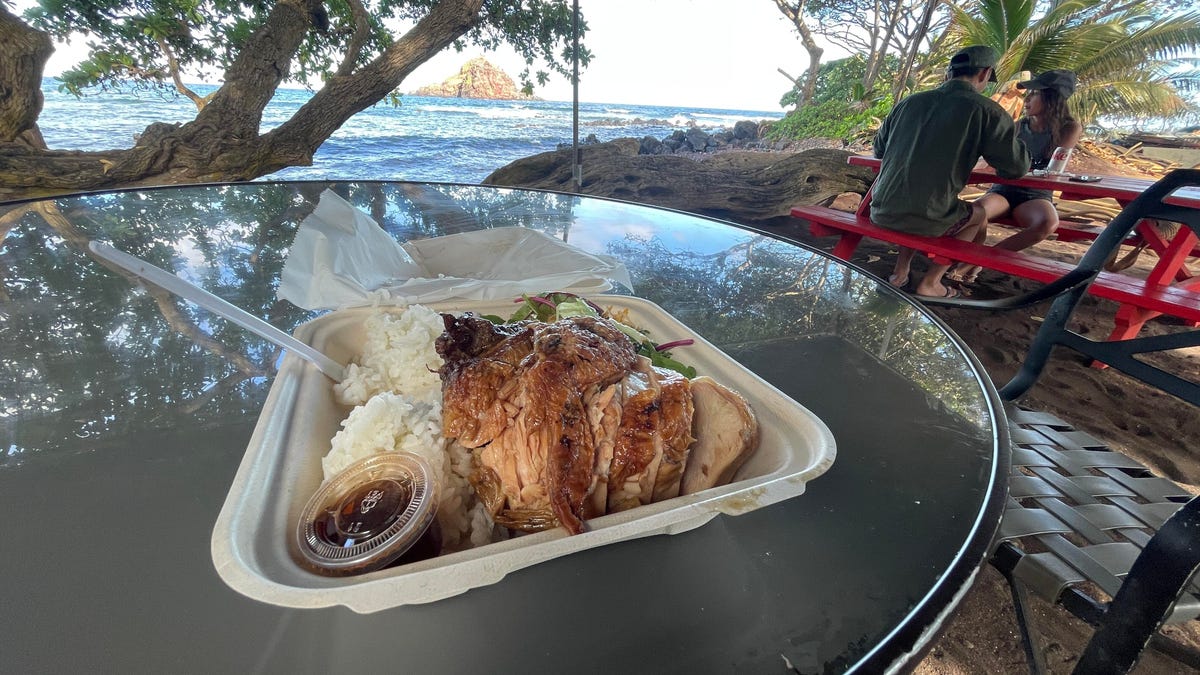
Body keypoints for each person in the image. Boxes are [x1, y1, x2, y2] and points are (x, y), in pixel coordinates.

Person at [870, 45, 1031, 299]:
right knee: (976, 214)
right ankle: (932, 282)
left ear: (949, 73)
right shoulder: (987, 111)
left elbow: (878, 151)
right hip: (925, 216)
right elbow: (1015, 168)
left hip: (880, 210)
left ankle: (900, 272)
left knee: (917, 197)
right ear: (985, 74)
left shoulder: (908, 103)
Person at [949, 70, 1082, 284]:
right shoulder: (1019, 125)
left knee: (1048, 223)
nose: (1027, 100)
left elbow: (1054, 170)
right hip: (1004, 189)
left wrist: (1018, 168)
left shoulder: (1069, 128)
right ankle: (971, 258)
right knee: (977, 211)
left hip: (1036, 195)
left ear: (1052, 98)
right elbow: (998, 160)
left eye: (1034, 94)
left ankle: (978, 262)